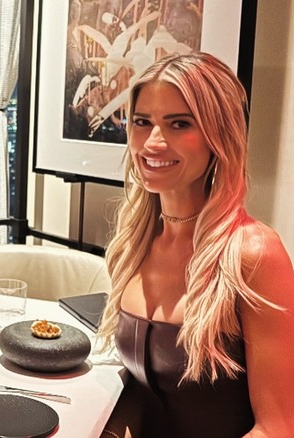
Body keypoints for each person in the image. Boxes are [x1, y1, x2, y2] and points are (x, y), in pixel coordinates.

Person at [97, 52, 294, 437]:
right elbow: (143, 389)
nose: (153, 142)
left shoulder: (253, 253)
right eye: (142, 122)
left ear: (218, 137)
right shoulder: (134, 242)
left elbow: (277, 428)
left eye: (179, 124)